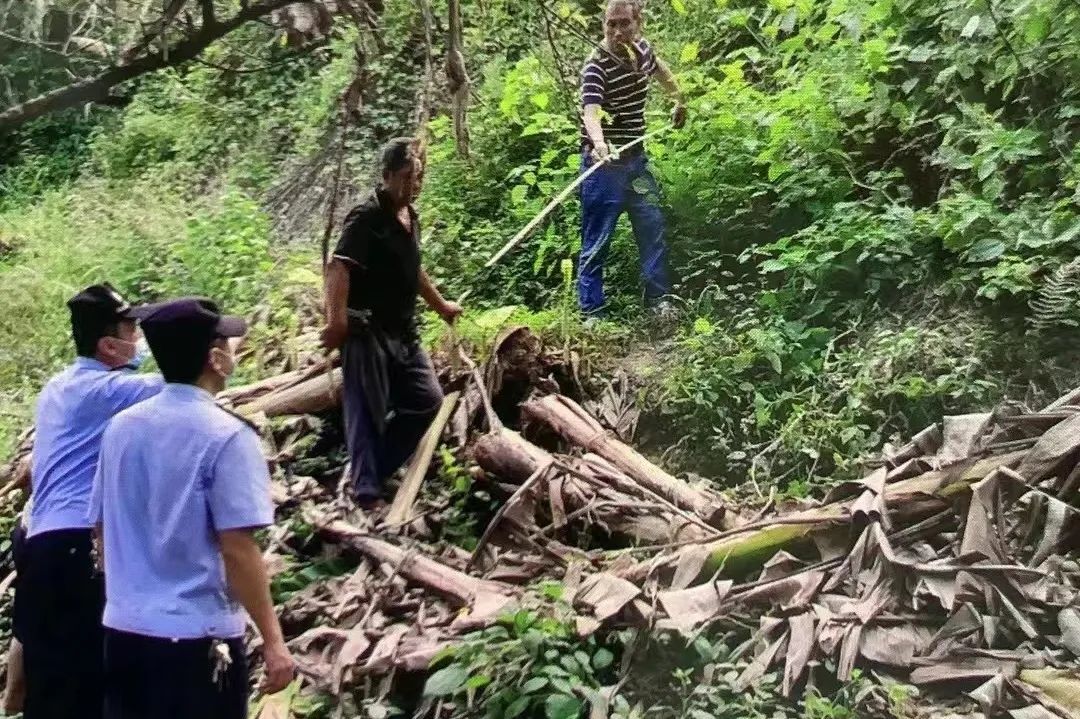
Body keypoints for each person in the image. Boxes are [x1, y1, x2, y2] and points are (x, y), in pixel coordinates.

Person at [88, 297, 295, 719]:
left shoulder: (120, 430)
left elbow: (101, 527)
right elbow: (238, 547)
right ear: (215, 358)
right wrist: (274, 642)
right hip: (195, 640)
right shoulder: (227, 436)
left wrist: (133, 590)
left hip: (124, 633)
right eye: (227, 343)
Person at [16, 283, 162, 719]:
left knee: (50, 678)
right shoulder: (105, 392)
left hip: (39, 544)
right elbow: (184, 378)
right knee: (86, 676)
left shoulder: (57, 388)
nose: (137, 340)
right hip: (79, 544)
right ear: (108, 345)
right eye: (131, 330)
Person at [320, 137, 462, 508]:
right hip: (367, 331)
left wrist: (441, 306)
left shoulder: (410, 217)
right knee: (367, 409)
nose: (413, 185)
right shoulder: (366, 217)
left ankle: (373, 470)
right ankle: (365, 494)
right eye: (406, 177)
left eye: (418, 178)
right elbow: (338, 268)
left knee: (427, 400)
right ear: (385, 176)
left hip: (403, 331)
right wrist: (336, 324)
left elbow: (413, 269)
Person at [578, 0, 687, 321]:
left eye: (624, 23)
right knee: (597, 239)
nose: (616, 31)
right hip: (604, 168)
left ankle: (659, 302)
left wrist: (679, 100)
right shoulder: (596, 64)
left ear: (638, 23)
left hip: (636, 162)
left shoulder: (641, 52)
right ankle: (592, 314)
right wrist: (599, 144)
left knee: (652, 227)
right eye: (610, 24)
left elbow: (661, 70)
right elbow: (591, 111)